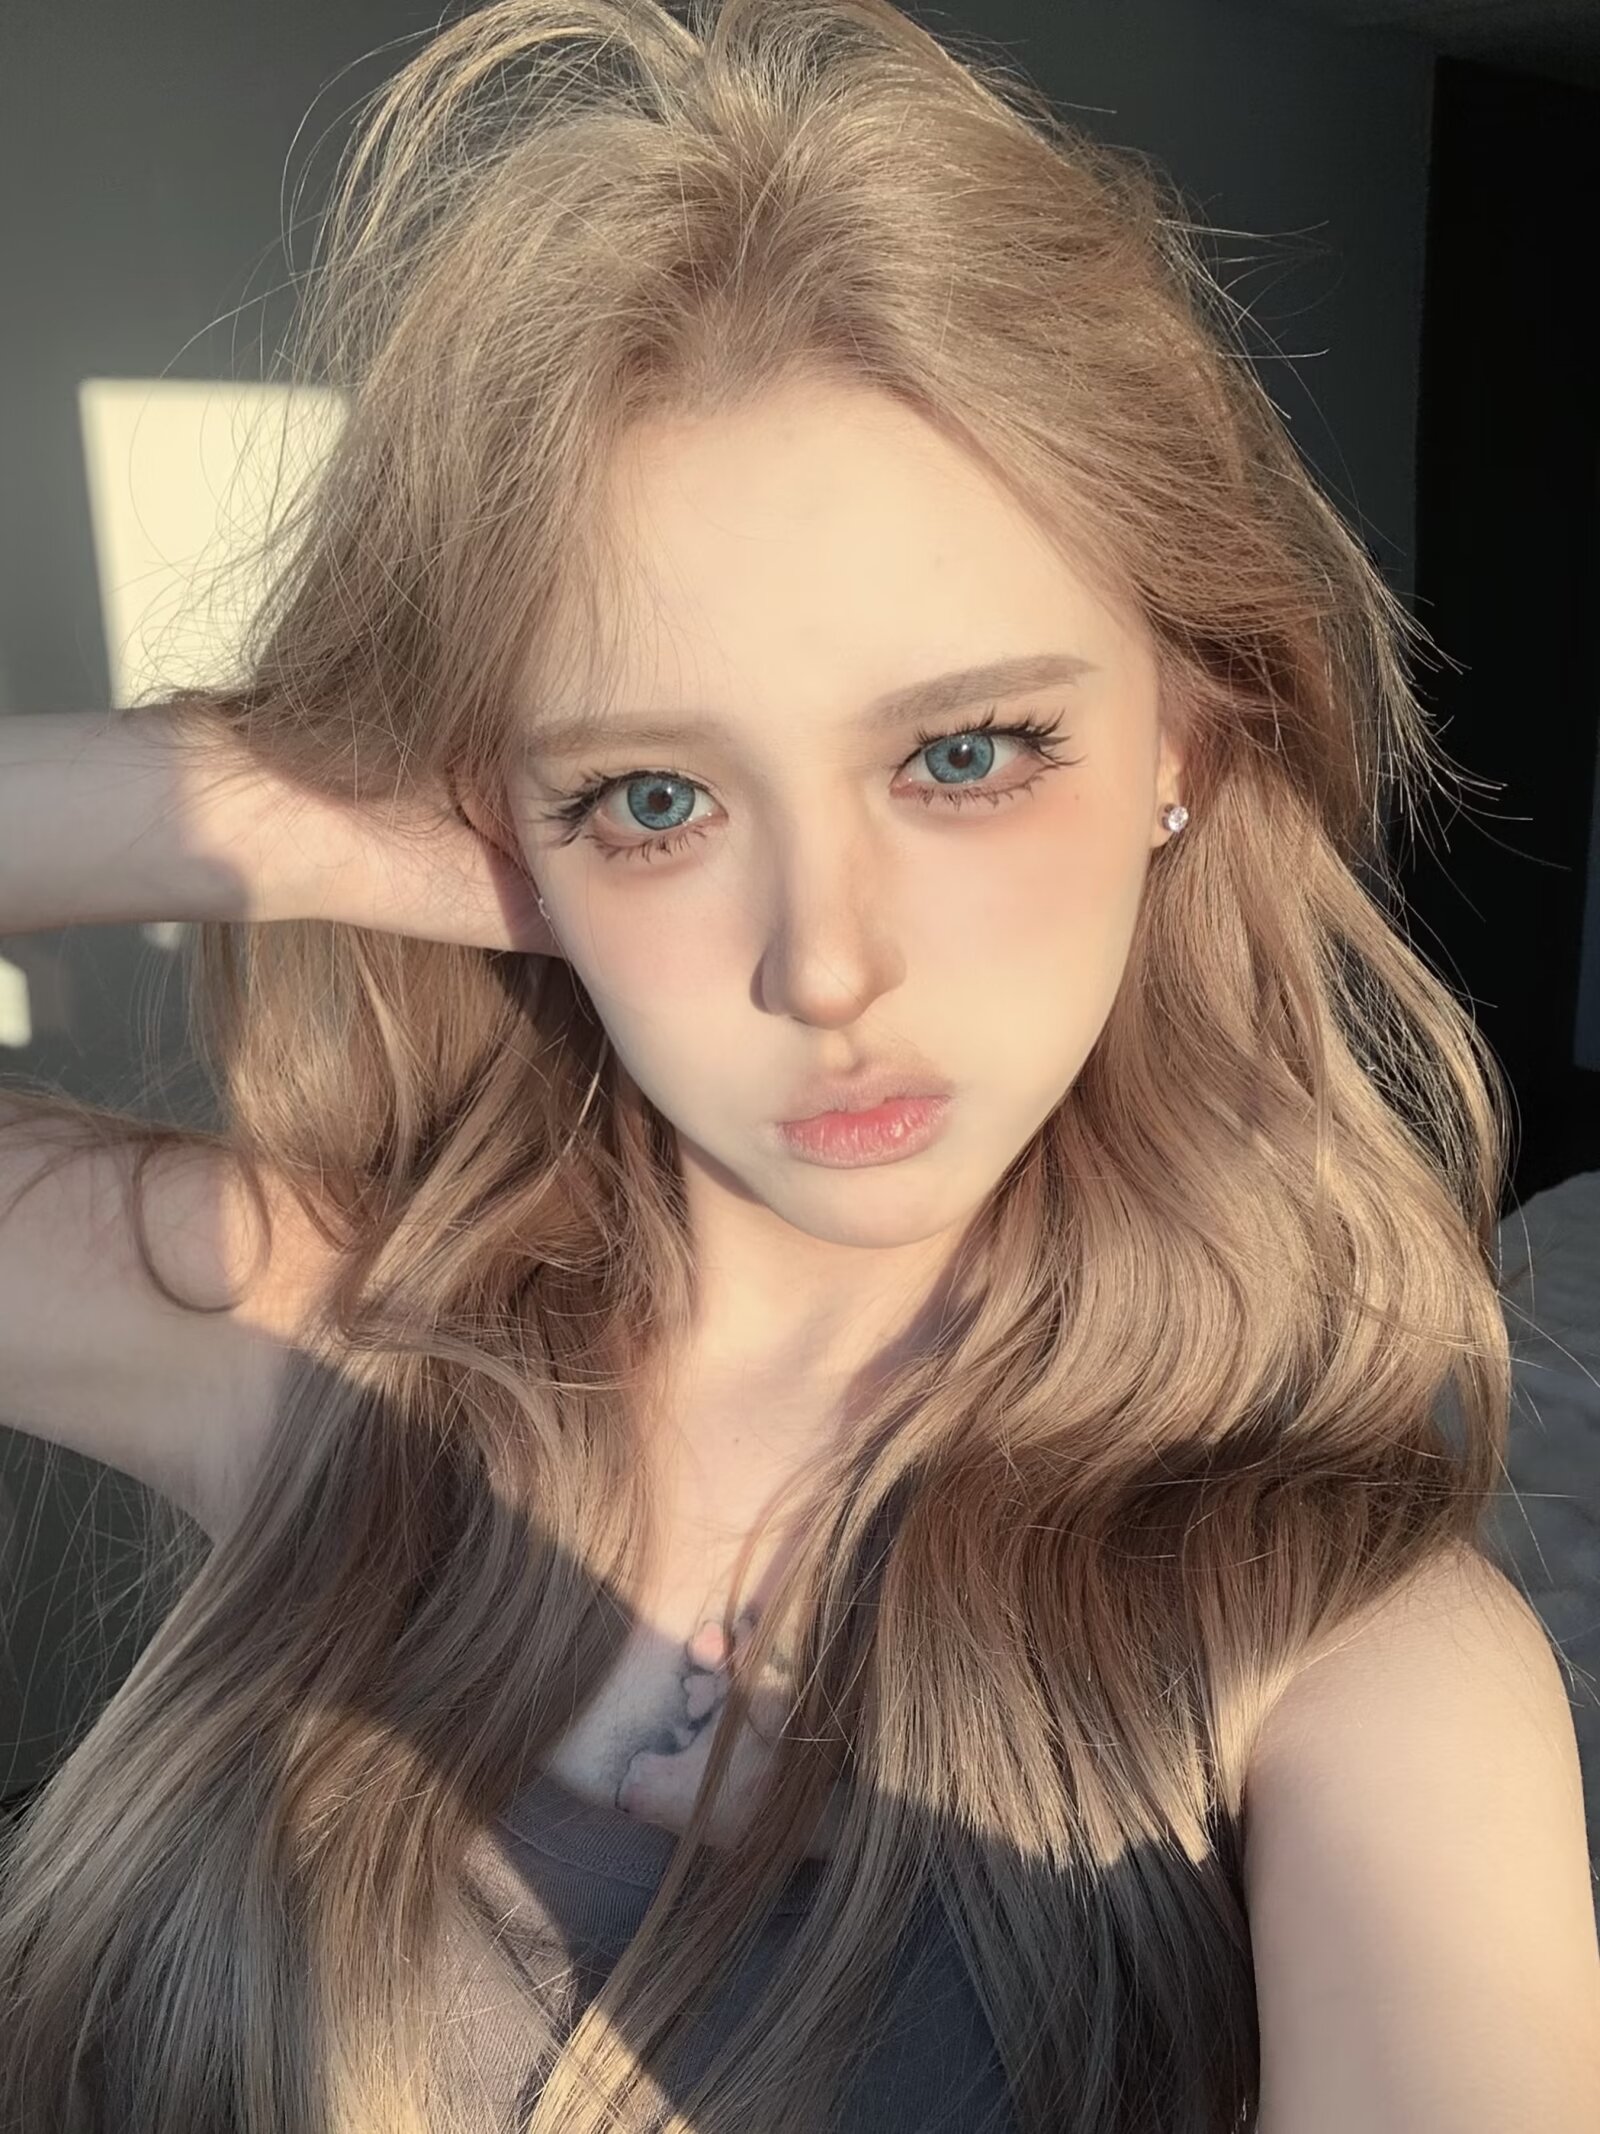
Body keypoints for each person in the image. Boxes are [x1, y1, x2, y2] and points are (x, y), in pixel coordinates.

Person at [2, 2, 1597, 2130]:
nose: (822, 962)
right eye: (654, 797)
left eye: (965, 752)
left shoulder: (1354, 1676)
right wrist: (278, 809)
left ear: (1184, 747)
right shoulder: (329, 1337)